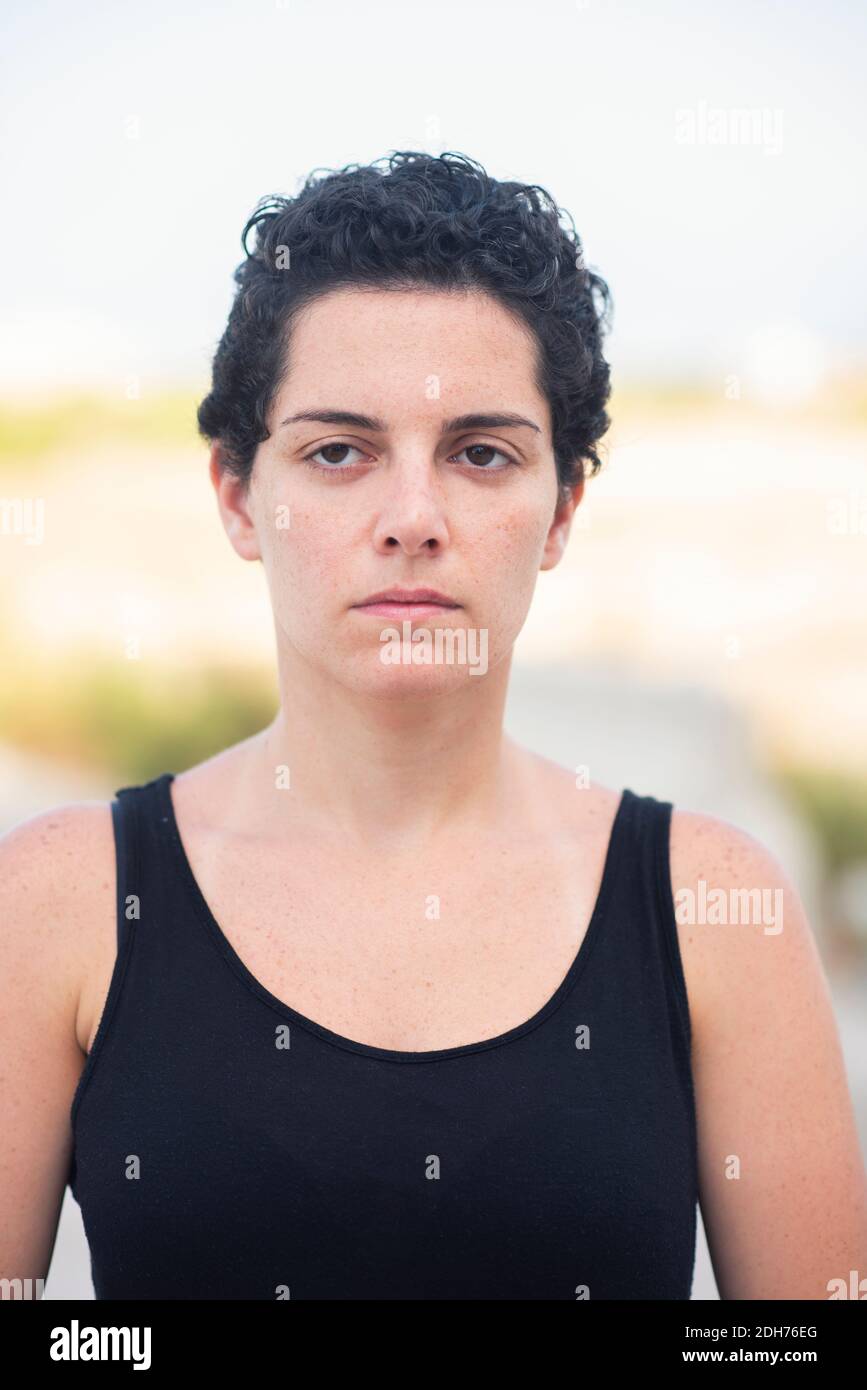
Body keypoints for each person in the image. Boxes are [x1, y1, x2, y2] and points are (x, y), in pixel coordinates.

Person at [1, 151, 865, 1301]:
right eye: (339, 451)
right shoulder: (63, 900)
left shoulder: (713, 911)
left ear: (560, 510)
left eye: (480, 453)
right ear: (235, 495)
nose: (413, 518)